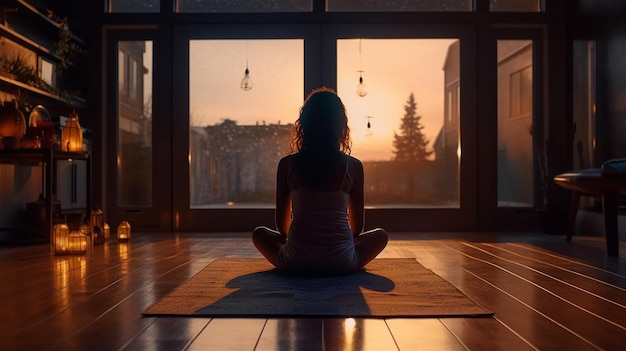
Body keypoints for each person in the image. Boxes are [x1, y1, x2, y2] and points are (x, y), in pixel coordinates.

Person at [252, 87, 388, 276]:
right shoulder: (353, 166)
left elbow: (281, 228)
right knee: (380, 236)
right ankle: (338, 257)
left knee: (259, 233)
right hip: (342, 262)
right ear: (341, 126)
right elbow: (357, 230)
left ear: (304, 125)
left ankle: (300, 256)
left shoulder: (287, 165)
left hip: (295, 262)